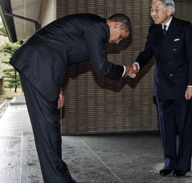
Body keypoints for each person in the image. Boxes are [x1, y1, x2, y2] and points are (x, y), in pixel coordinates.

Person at [9, 13, 136, 183]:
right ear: (116, 25)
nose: (118, 42)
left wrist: (58, 86)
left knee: (49, 127)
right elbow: (102, 67)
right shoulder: (97, 27)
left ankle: (58, 179)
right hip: (38, 65)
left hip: (44, 68)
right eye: (120, 37)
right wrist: (125, 69)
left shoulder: (93, 29)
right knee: (47, 128)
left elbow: (63, 52)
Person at [128, 0, 192, 177]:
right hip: (162, 86)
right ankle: (169, 162)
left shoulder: (184, 27)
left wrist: (191, 84)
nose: (153, 13)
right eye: (152, 9)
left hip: (182, 86)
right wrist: (136, 65)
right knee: (166, 127)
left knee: (183, 127)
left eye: (156, 9)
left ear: (169, 10)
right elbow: (146, 53)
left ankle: (182, 164)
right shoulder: (153, 31)